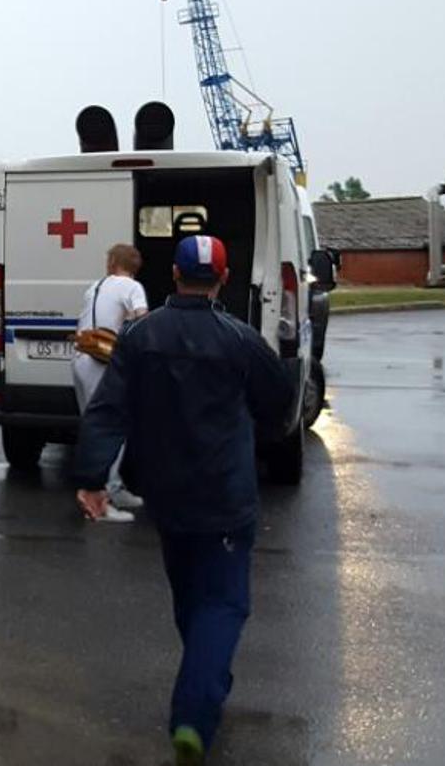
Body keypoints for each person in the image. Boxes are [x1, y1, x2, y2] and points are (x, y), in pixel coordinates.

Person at [71, 235, 293, 765]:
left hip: (166, 494)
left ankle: (207, 678)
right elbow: (280, 400)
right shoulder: (240, 340)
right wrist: (258, 433)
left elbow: (108, 409)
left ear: (174, 275)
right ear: (223, 279)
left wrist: (92, 477)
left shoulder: (141, 338)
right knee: (223, 603)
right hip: (225, 495)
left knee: (191, 596)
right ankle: (194, 715)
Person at [71, 243, 149, 523]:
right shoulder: (132, 287)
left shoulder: (95, 287)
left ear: (113, 263)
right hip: (103, 362)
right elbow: (142, 322)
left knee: (93, 428)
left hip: (81, 358)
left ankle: (111, 487)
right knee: (111, 429)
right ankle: (103, 497)